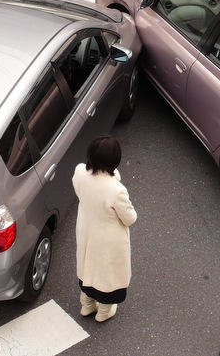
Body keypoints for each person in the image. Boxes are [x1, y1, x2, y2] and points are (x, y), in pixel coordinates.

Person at [72, 135, 137, 322]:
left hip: (86, 229)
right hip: (108, 239)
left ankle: (87, 305)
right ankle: (104, 311)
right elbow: (130, 218)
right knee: (107, 275)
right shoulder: (116, 190)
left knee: (87, 267)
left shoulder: (79, 173)